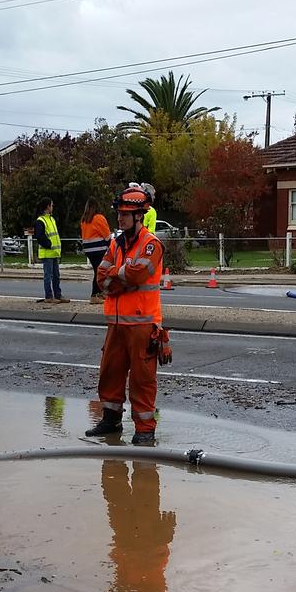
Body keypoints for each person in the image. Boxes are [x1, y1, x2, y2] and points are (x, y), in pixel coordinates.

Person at [85, 184, 171, 445]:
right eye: (119, 213)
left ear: (138, 216)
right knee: (110, 373)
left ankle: (145, 429)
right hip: (116, 323)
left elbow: (137, 274)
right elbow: (101, 278)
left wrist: (117, 275)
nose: (120, 218)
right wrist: (120, 276)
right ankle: (111, 421)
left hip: (142, 324)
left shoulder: (151, 244)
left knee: (142, 379)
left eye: (124, 214)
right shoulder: (116, 243)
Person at [102, 459, 176, 592]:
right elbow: (155, 566)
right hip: (144, 540)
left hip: (131, 541)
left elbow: (152, 568)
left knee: (117, 491)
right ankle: (119, 456)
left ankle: (115, 457)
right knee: (138, 488)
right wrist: (162, 541)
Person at [34, 197, 69, 303]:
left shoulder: (51, 219)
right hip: (47, 253)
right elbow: (39, 236)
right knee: (48, 276)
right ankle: (49, 297)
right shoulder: (41, 220)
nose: (52, 207)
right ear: (48, 206)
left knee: (56, 276)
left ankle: (58, 295)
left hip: (54, 252)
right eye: (52, 205)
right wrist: (48, 244)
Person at [80, 197, 111, 304]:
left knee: (97, 271)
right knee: (100, 272)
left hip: (89, 250)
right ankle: (94, 295)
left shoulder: (84, 220)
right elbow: (107, 236)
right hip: (99, 249)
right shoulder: (99, 218)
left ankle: (100, 292)